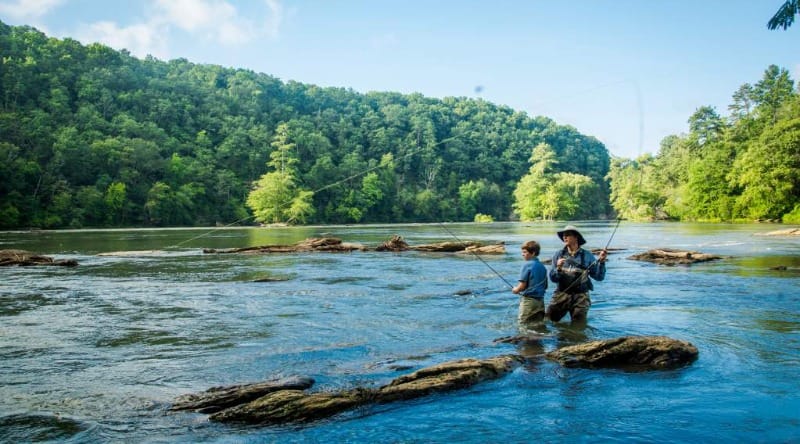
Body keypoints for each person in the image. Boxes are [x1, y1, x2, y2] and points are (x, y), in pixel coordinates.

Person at [547, 225, 607, 324]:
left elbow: (599, 277)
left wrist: (602, 262)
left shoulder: (587, 256)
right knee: (548, 322)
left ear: (576, 237)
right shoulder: (558, 255)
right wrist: (558, 268)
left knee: (578, 327)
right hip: (561, 295)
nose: (564, 237)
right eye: (563, 236)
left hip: (581, 297)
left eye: (568, 235)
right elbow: (553, 279)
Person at [511, 240, 548, 327]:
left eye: (525, 252)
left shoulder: (526, 265)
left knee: (523, 325)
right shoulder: (542, 266)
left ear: (533, 253)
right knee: (538, 325)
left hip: (529, 301)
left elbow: (522, 286)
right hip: (540, 301)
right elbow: (545, 286)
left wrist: (515, 290)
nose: (522, 254)